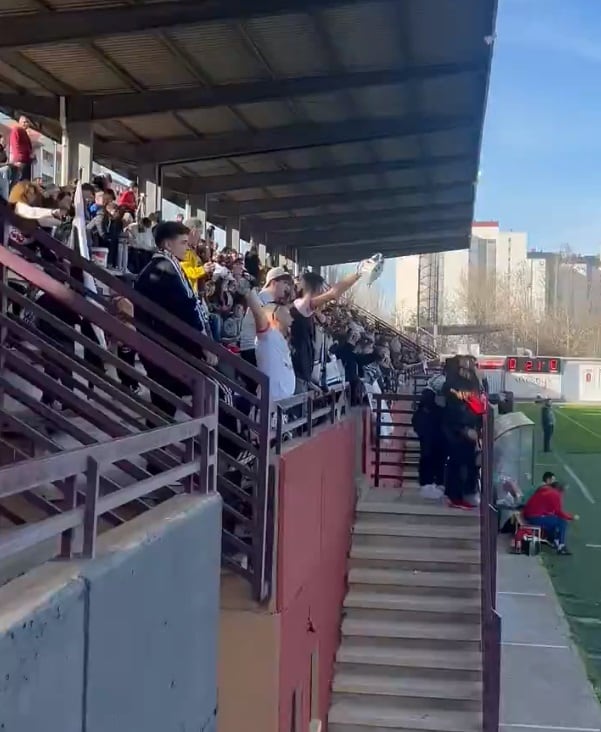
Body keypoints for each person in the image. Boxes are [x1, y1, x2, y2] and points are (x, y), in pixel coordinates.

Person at [134, 221, 217, 418]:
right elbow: (186, 308)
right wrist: (204, 344)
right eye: (183, 242)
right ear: (168, 245)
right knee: (165, 404)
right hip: (164, 346)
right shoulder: (165, 269)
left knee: (165, 405)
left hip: (160, 345)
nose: (187, 247)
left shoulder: (165, 265)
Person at [244, 286, 295, 403]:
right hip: (270, 406)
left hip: (285, 404)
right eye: (287, 312)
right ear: (274, 315)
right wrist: (249, 290)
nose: (291, 316)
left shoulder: (283, 339)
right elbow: (258, 313)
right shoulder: (268, 335)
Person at [239, 266, 293, 366]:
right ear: (273, 283)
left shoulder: (268, 299)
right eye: (284, 283)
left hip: (258, 348)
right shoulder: (264, 297)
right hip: (252, 350)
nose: (287, 288)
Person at [523, 480, 573, 555]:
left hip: (528, 514)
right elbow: (558, 511)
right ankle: (561, 546)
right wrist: (569, 517)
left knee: (552, 519)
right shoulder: (555, 494)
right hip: (534, 518)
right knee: (562, 522)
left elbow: (545, 506)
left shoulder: (545, 490)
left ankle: (554, 540)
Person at [8, 116, 34, 188]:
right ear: (19, 122)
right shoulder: (16, 130)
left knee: (25, 183)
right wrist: (17, 160)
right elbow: (15, 145)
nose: (26, 124)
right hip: (20, 161)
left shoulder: (25, 134)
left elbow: (29, 148)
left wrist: (31, 156)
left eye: (27, 122)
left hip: (26, 161)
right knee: (18, 183)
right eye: (24, 122)